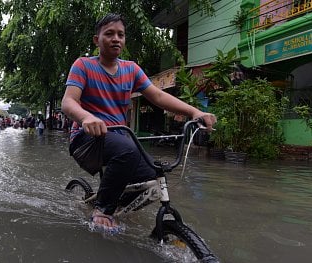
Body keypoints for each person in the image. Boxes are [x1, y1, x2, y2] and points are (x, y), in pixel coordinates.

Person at [61, 13, 217, 231]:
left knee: (155, 177)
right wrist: (86, 117)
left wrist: (194, 112)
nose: (116, 38)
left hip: (120, 139)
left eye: (121, 35)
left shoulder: (132, 69)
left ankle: (113, 205)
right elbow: (68, 102)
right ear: (97, 40)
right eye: (109, 34)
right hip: (87, 139)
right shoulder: (83, 65)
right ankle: (103, 209)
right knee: (129, 150)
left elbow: (159, 96)